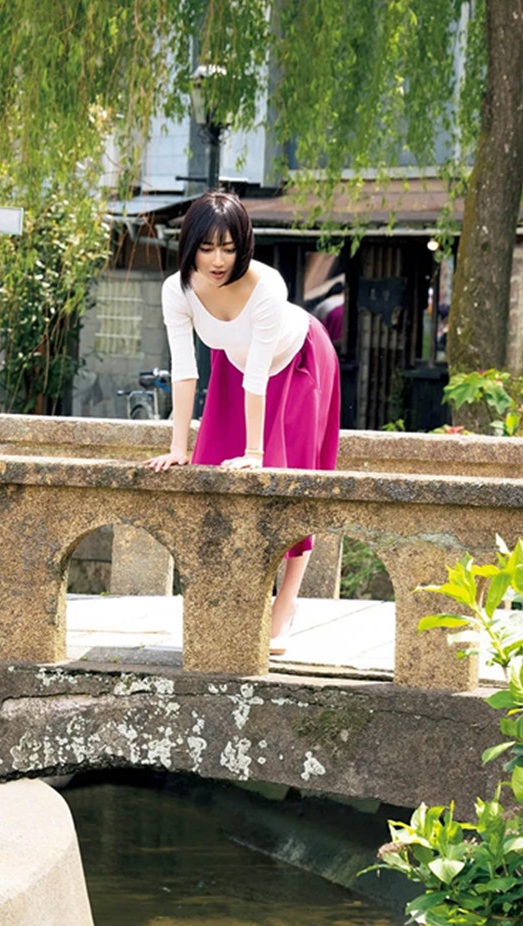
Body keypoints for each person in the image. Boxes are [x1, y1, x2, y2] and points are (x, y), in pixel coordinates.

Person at [145, 190, 340, 654]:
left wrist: (255, 452)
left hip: (297, 361)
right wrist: (178, 447)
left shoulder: (267, 285)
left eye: (229, 249)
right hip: (232, 365)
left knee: (292, 478)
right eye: (207, 248)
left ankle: (286, 603)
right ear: (190, 246)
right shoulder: (177, 290)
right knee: (210, 469)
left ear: (244, 246)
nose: (218, 260)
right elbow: (184, 368)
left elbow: (260, 375)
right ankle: (233, 598)